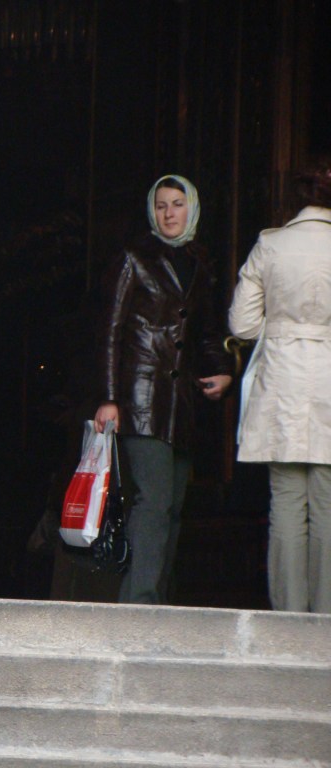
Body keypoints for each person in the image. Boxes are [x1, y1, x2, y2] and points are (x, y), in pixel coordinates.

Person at [94, 174, 233, 604]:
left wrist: (224, 371)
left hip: (181, 404)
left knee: (171, 508)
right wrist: (109, 398)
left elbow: (208, 332)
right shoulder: (134, 258)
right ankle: (139, 604)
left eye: (177, 204)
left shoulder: (200, 261)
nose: (169, 213)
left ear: (192, 208)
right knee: (153, 502)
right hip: (140, 398)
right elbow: (110, 331)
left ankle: (157, 600)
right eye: (161, 206)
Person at [228, 159, 331, 614]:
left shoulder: (271, 244)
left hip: (283, 383)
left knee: (287, 504)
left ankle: (288, 618)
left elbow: (243, 323)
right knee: (328, 508)